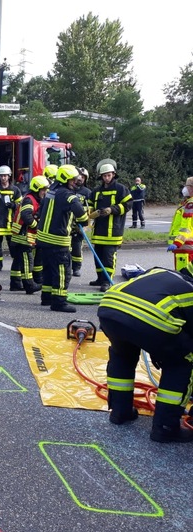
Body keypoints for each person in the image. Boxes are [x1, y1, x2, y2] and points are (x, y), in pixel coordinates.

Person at [97, 267, 193, 443]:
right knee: (182, 362)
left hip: (110, 308)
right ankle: (165, 427)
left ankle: (120, 411)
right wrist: (164, 351)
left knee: (122, 354)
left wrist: (160, 348)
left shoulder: (160, 271)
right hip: (150, 319)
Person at [35, 164, 88, 313]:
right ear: (65, 179)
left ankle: (46, 298)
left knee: (48, 271)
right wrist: (84, 219)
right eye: (72, 180)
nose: (74, 183)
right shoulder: (68, 195)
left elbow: (39, 212)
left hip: (43, 240)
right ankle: (59, 302)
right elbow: (82, 216)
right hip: (58, 241)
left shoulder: (50, 192)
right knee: (62, 272)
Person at [88, 160, 132, 292]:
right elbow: (90, 203)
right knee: (98, 256)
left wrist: (112, 209)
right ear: (101, 177)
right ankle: (100, 278)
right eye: (104, 176)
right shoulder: (96, 191)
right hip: (99, 229)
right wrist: (91, 212)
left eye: (109, 175)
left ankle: (107, 281)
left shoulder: (121, 189)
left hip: (113, 230)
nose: (106, 178)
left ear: (113, 174)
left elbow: (128, 204)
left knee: (108, 257)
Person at [10, 175, 49, 293]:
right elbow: (26, 216)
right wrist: (37, 226)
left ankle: (15, 283)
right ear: (37, 189)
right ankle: (29, 285)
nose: (45, 192)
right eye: (43, 189)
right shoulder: (29, 199)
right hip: (23, 236)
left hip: (19, 235)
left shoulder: (33, 199)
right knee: (27, 260)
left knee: (18, 261)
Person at [167, 176, 193, 275]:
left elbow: (186, 228)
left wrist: (177, 242)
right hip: (184, 247)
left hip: (185, 247)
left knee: (184, 278)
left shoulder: (190, 205)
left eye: (188, 186)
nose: (185, 189)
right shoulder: (187, 203)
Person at [70, 167, 92, 277]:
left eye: (83, 177)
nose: (80, 178)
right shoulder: (69, 190)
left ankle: (76, 268)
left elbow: (91, 211)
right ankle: (67, 266)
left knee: (77, 248)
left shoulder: (87, 193)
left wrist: (87, 226)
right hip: (67, 225)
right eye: (78, 176)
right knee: (66, 248)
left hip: (80, 226)